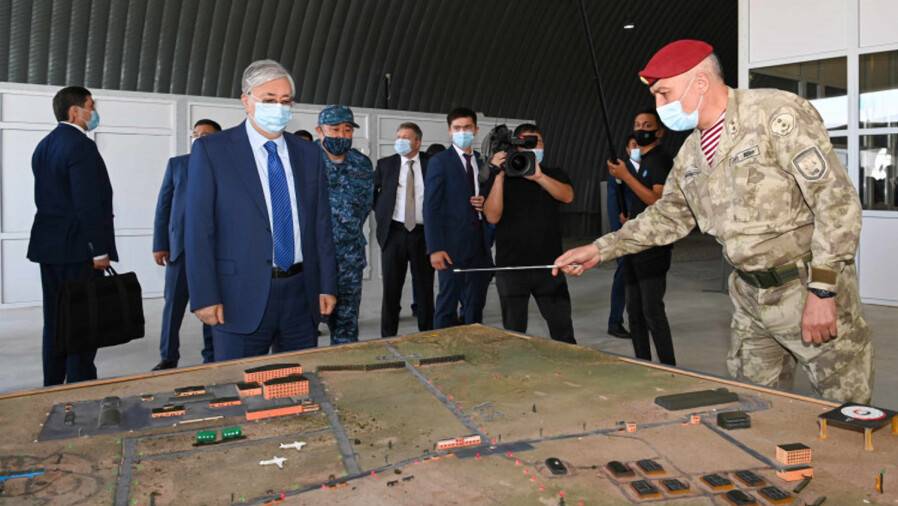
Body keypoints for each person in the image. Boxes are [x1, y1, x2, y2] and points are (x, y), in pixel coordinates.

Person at [554, 40, 872, 403]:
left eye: (664, 93)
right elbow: (667, 215)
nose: (659, 106)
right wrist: (600, 249)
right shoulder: (692, 153)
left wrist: (823, 290)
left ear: (701, 82)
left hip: (806, 286)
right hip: (750, 298)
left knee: (847, 411)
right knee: (753, 407)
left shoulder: (774, 115)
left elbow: (835, 201)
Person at [186, 59, 337, 361]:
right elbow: (198, 230)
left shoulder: (308, 154)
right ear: (246, 101)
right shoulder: (213, 151)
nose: (278, 108)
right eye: (269, 100)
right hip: (238, 294)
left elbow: (321, 225)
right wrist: (204, 295)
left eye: (285, 101)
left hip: (300, 293)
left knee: (298, 378)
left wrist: (327, 285)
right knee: (240, 382)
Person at [28, 86, 116, 386]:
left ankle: (52, 383)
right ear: (75, 112)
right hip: (79, 250)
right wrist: (98, 250)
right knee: (82, 320)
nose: (94, 112)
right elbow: (87, 203)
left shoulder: (44, 146)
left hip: (49, 247)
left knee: (55, 319)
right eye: (91, 106)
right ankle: (80, 387)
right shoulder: (81, 146)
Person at [483, 124, 576, 344]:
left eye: (537, 142)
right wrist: (499, 176)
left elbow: (568, 196)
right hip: (511, 269)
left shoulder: (554, 174)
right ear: (516, 146)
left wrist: (539, 177)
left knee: (562, 330)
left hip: (550, 266)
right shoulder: (502, 177)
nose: (533, 147)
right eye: (526, 142)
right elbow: (492, 217)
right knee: (514, 334)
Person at [151, 119, 222, 370]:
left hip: (213, 251)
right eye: (196, 134)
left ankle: (211, 355)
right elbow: (163, 206)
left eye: (206, 135)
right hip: (179, 249)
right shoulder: (177, 164)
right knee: (173, 306)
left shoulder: (225, 166)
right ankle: (168, 356)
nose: (200, 139)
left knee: (212, 303)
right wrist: (160, 243)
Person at [608, 109, 676, 366]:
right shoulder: (641, 162)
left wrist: (626, 176)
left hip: (653, 246)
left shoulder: (660, 160)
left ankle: (668, 367)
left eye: (647, 125)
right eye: (637, 124)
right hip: (633, 243)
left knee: (652, 310)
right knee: (634, 310)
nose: (641, 129)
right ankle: (643, 363)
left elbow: (656, 200)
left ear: (659, 132)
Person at [424, 107, 494, 328]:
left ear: (476, 130)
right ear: (449, 131)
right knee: (447, 303)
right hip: (450, 247)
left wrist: (484, 202)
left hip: (479, 245)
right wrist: (435, 248)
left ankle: (473, 340)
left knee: (475, 305)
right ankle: (440, 345)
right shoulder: (440, 161)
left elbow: (490, 197)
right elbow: (431, 207)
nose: (462, 132)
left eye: (467, 127)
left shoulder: (482, 162)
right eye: (457, 128)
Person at [315, 105, 374, 345]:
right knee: (304, 329)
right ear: (320, 131)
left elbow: (365, 206)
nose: (341, 135)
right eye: (335, 129)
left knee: (346, 330)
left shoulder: (362, 163)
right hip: (312, 259)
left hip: (349, 258)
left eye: (347, 130)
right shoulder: (305, 160)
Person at [374, 122, 435, 337]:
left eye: (406, 137)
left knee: (425, 288)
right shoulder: (385, 164)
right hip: (394, 234)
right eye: (398, 136)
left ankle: (427, 334)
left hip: (423, 235)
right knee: (391, 289)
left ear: (418, 142)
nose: (400, 141)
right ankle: (388, 337)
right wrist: (383, 216)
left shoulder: (431, 164)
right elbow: (374, 196)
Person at [606, 136, 636, 340]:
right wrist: (618, 230)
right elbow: (613, 201)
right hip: (625, 232)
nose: (637, 148)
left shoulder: (650, 168)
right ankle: (615, 321)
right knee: (623, 274)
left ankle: (640, 319)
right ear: (626, 149)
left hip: (645, 232)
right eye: (633, 146)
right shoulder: (619, 171)